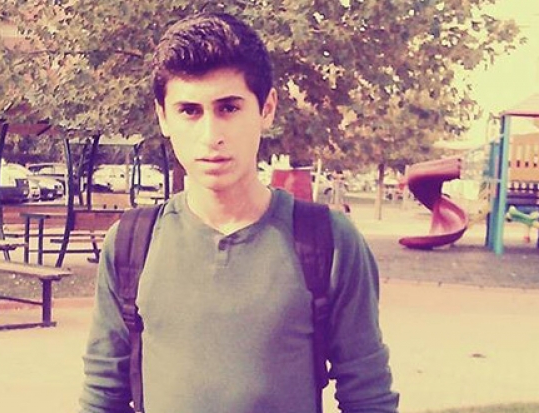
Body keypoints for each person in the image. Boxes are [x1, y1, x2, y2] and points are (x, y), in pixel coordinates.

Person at [79, 12, 399, 413]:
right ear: (163, 117)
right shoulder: (131, 244)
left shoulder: (328, 240)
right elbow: (103, 394)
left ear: (267, 109)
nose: (211, 135)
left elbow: (368, 395)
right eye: (189, 111)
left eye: (229, 108)